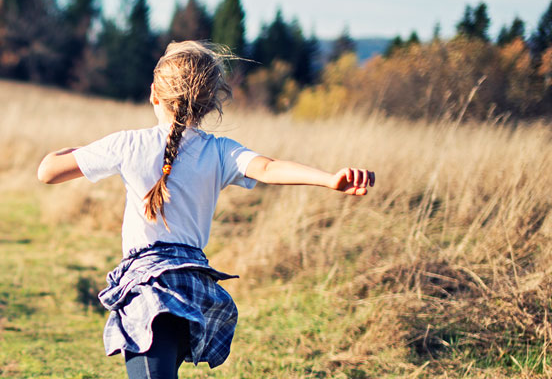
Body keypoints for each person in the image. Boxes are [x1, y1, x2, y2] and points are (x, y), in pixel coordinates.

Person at [35, 41, 375, 379]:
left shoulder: (127, 144)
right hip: (194, 289)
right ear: (210, 102)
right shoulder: (220, 151)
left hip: (150, 288)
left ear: (154, 93)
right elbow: (270, 169)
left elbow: (48, 171)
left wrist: (81, 150)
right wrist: (330, 179)